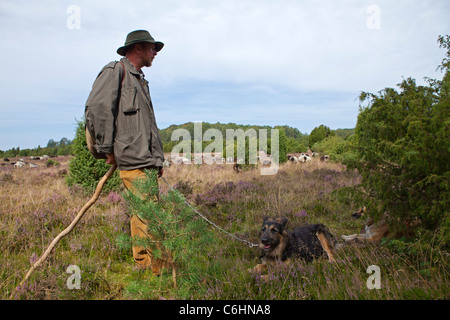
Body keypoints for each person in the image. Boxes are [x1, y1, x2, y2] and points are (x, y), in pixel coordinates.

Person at [85, 30, 166, 274]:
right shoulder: (115, 71)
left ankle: (147, 265)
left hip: (146, 160)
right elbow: (97, 110)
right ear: (138, 48)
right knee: (148, 214)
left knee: (145, 214)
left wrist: (158, 159)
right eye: (152, 48)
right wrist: (106, 148)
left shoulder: (141, 80)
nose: (155, 53)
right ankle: (153, 269)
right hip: (132, 159)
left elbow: (148, 127)